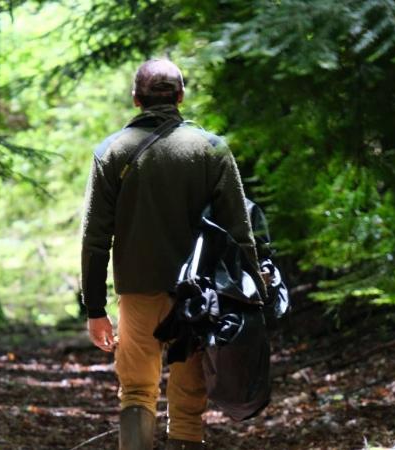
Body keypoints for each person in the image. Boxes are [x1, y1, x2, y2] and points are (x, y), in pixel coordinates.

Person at [80, 59, 262, 450]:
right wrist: (253, 295)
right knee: (188, 398)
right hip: (198, 297)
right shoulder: (211, 150)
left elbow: (94, 238)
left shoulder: (111, 152)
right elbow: (239, 232)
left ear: (136, 100)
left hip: (138, 291)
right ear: (180, 97)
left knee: (136, 391)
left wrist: (95, 308)